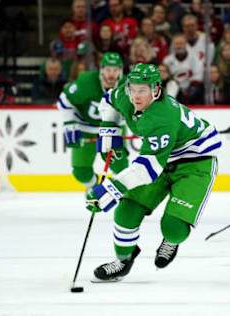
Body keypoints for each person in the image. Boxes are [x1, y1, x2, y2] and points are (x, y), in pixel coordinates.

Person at [86, 63, 221, 282]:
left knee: (173, 228)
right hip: (162, 158)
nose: (136, 95)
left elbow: (147, 170)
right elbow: (108, 100)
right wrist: (108, 130)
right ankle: (123, 261)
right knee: (127, 210)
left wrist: (113, 188)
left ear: (156, 90)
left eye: (143, 90)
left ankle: (171, 240)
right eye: (133, 88)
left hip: (195, 163)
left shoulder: (162, 116)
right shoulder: (125, 94)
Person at [57, 52, 129, 190]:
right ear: (101, 70)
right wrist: (69, 122)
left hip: (113, 128)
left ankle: (122, 194)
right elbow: (64, 99)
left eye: (115, 70)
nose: (111, 74)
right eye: (108, 70)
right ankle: (98, 188)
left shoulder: (128, 86)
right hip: (86, 128)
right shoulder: (86, 81)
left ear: (120, 71)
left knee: (121, 168)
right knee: (81, 173)